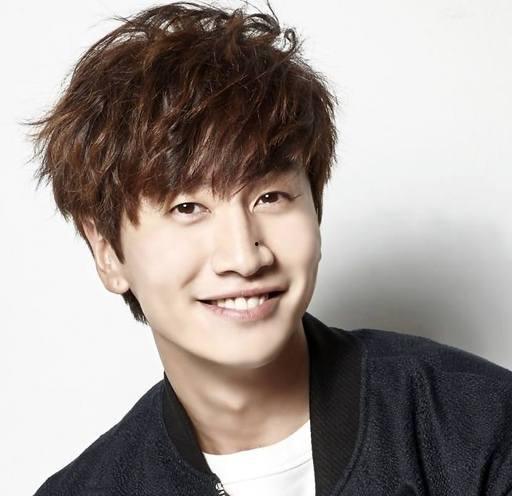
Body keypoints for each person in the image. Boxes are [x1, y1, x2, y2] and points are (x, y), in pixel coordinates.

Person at [29, 2, 512, 495]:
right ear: (107, 251)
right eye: (187, 208)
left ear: (315, 209)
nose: (244, 257)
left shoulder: (480, 424)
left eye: (270, 197)